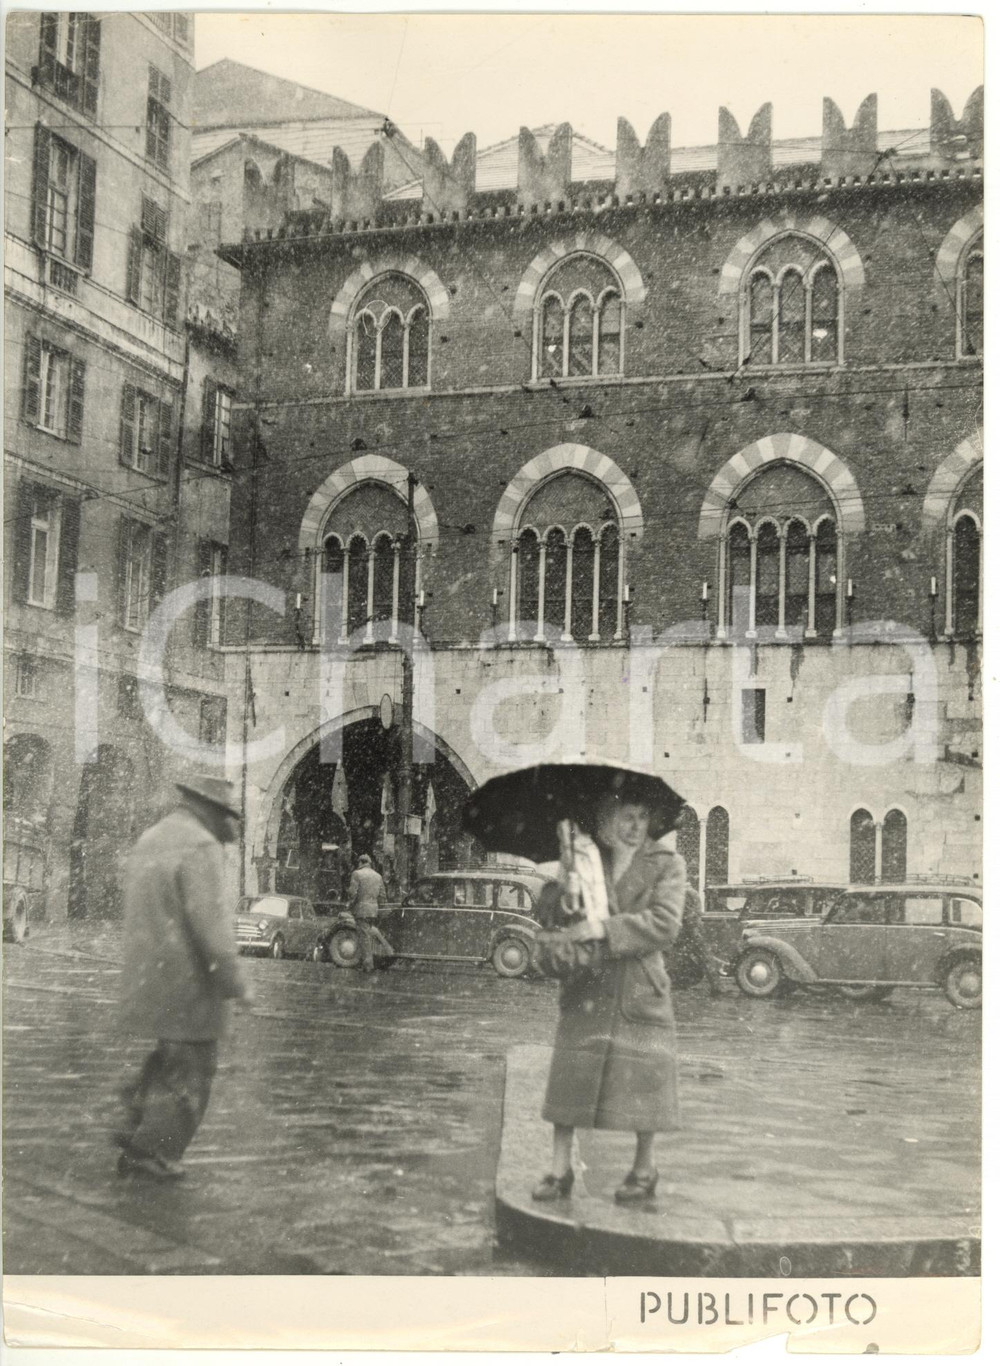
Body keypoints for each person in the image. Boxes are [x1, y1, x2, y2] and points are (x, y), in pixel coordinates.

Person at [533, 789, 686, 1205]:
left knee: (644, 1083)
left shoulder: (667, 864)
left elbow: (665, 925)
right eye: (627, 816)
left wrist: (605, 928)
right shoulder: (585, 857)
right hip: (587, 984)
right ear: (605, 816)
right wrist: (565, 883)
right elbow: (556, 915)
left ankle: (644, 1167)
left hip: (639, 987)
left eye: (643, 817)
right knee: (570, 1077)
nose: (636, 827)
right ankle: (559, 1168)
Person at [116, 775, 251, 1181]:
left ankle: (131, 1118)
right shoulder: (200, 845)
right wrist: (236, 983)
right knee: (192, 1074)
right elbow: (210, 926)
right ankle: (149, 1150)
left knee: (167, 1062)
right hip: (187, 984)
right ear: (212, 810)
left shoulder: (153, 836)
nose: (231, 827)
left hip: (148, 975)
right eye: (228, 816)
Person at [669, 885, 725, 996]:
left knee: (700, 957)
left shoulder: (686, 893)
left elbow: (688, 914)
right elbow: (694, 912)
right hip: (693, 928)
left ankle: (716, 987)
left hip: (691, 929)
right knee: (701, 957)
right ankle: (716, 986)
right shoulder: (692, 892)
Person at [347, 853, 387, 972]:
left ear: (360, 862)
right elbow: (382, 895)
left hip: (361, 909)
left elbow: (352, 893)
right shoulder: (378, 876)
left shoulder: (357, 874)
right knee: (368, 935)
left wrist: (349, 904)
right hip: (373, 911)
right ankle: (368, 961)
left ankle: (367, 965)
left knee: (363, 937)